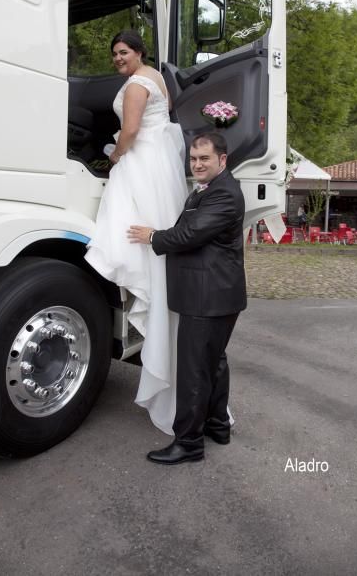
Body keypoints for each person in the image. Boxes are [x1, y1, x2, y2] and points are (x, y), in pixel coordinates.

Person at [85, 30, 188, 434]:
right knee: (156, 257)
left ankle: (162, 355)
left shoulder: (135, 85)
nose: (117, 59)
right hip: (159, 171)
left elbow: (129, 133)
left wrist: (112, 158)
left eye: (123, 52)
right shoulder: (159, 79)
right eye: (114, 54)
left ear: (138, 52)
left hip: (140, 166)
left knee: (134, 247)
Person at [128, 131, 247, 464]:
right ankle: (217, 425)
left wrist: (153, 236)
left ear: (222, 160)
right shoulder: (212, 190)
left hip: (208, 297)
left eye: (204, 158)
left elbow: (190, 234)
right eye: (193, 159)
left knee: (195, 370)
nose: (197, 164)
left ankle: (189, 443)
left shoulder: (224, 194)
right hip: (214, 295)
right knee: (213, 364)